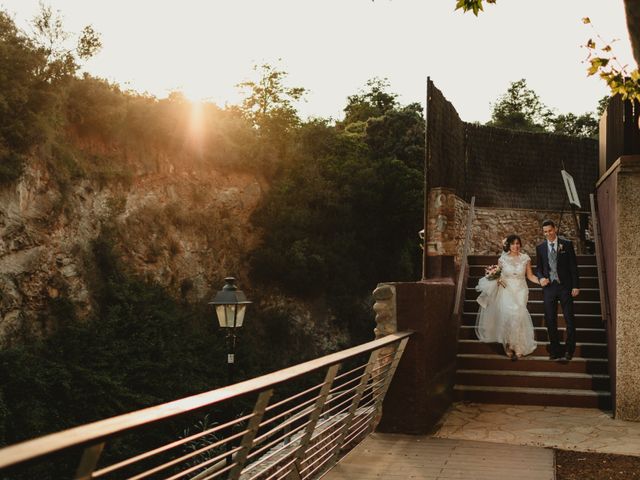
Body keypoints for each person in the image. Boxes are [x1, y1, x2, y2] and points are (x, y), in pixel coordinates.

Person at [476, 235, 540, 359]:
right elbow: (498, 275)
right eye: (513, 244)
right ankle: (509, 345)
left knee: (518, 315)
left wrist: (541, 281)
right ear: (509, 246)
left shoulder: (525, 258)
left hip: (521, 290)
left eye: (518, 244)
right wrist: (496, 278)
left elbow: (530, 276)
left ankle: (518, 346)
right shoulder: (502, 259)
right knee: (508, 315)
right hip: (506, 290)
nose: (516, 246)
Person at [536, 220, 580, 361]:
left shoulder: (566, 244)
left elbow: (573, 266)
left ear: (555, 229)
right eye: (545, 232)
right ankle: (555, 350)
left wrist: (575, 285)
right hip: (549, 288)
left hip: (565, 287)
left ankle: (569, 349)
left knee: (569, 319)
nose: (548, 233)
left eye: (550, 230)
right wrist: (541, 277)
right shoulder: (540, 248)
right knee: (550, 320)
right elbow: (538, 269)